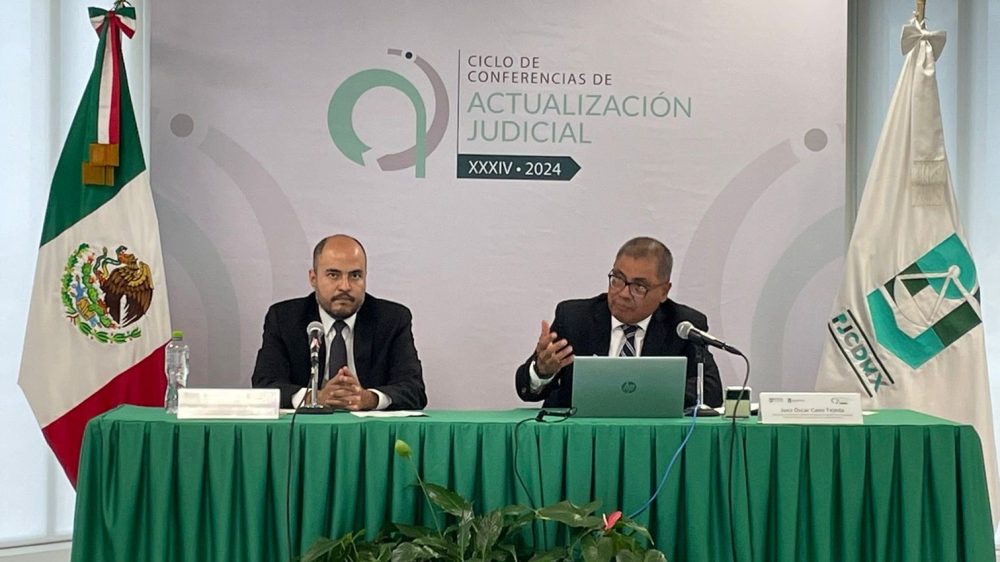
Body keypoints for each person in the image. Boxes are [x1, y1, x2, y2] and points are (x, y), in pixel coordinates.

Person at [515, 236, 723, 409]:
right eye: (617, 279)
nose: (623, 293)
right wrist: (543, 371)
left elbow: (711, 392)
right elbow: (526, 389)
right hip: (579, 441)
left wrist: (638, 395)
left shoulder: (683, 326)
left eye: (639, 287)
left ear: (663, 292)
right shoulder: (575, 318)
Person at [251, 235, 427, 410]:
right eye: (333, 275)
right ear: (313, 278)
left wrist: (369, 398)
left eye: (355, 275)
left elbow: (414, 390)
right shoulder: (284, 319)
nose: (345, 286)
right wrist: (314, 397)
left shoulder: (392, 319)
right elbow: (264, 387)